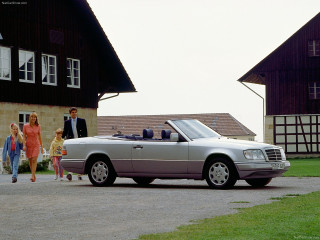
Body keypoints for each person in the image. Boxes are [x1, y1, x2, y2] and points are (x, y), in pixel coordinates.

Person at [62, 107, 87, 181]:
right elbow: (65, 132)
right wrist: (60, 138)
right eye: (73, 112)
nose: (74, 113)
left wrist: (85, 141)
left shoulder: (82, 121)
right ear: (70, 114)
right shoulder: (67, 122)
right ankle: (70, 173)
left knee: (80, 157)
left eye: (75, 112)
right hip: (71, 142)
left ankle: (79, 174)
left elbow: (85, 132)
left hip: (80, 141)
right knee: (71, 157)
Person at [23, 112, 44, 182]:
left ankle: (32, 175)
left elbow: (40, 137)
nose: (33, 118)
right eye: (32, 117)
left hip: (36, 145)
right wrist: (23, 145)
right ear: (30, 118)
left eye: (34, 117)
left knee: (34, 159)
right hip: (28, 145)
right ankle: (33, 174)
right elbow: (23, 137)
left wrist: (41, 147)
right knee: (30, 160)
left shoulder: (38, 126)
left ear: (36, 118)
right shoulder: (25, 126)